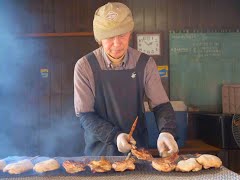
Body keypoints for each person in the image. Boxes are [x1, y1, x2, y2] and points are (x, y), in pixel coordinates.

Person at [74, 2, 178, 157]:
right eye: (109, 37)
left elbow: (161, 105)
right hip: (99, 154)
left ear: (130, 33)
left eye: (122, 35)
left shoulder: (144, 63)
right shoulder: (85, 66)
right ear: (99, 38)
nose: (117, 44)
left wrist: (166, 132)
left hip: (137, 152)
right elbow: (85, 115)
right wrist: (115, 136)